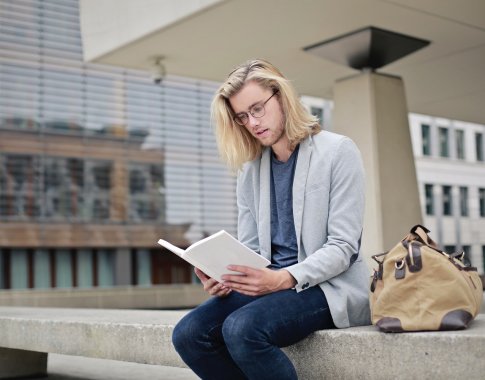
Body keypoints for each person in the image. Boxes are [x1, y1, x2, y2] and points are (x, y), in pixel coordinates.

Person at [172, 59, 370, 380]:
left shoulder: (338, 151)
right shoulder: (251, 170)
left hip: (327, 286)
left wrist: (284, 278)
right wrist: (226, 275)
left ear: (281, 96)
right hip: (270, 285)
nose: (252, 122)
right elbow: (250, 248)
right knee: (189, 334)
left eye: (257, 109)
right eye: (242, 116)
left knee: (242, 330)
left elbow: (343, 247)